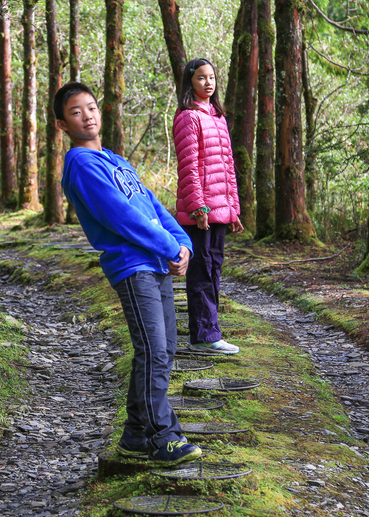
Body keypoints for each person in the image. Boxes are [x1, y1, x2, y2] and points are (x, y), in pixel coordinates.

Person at [54, 81, 202, 465]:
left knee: (166, 349)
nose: (87, 115)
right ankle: (163, 436)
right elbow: (122, 218)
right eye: (76, 111)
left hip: (157, 262)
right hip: (133, 267)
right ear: (62, 125)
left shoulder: (117, 161)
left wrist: (182, 243)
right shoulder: (81, 165)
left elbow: (152, 204)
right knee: (152, 350)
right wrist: (169, 247)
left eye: (91, 107)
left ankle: (136, 434)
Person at [173, 58, 243, 355]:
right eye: (201, 78)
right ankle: (203, 337)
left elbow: (228, 169)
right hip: (199, 212)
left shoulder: (217, 117)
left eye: (212, 77)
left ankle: (206, 333)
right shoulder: (188, 117)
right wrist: (198, 208)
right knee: (201, 271)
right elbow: (188, 167)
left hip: (219, 209)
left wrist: (233, 210)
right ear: (190, 82)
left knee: (213, 269)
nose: (208, 82)